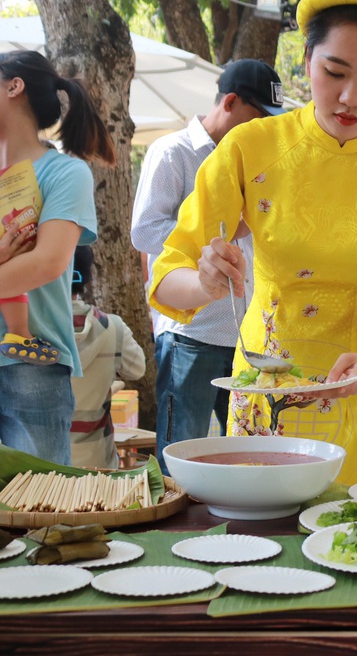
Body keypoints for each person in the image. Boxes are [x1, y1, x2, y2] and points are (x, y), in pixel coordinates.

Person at [148, 0, 357, 485]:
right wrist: (205, 280)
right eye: (334, 72)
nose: (352, 97)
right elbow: (167, 274)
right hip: (264, 382)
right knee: (264, 536)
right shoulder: (251, 147)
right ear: (306, 63)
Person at [131, 59, 284, 466]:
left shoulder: (258, 163)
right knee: (179, 453)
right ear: (230, 102)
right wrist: (217, 234)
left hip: (246, 336)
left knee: (246, 454)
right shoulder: (172, 152)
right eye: (259, 117)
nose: (263, 129)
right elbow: (145, 231)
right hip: (191, 332)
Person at [0, 50, 112, 464]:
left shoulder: (64, 173)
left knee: (38, 510)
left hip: (30, 362)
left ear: (14, 86)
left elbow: (47, 263)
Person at [69, 246, 146, 469]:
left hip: (37, 467)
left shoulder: (25, 331)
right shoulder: (113, 327)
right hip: (99, 465)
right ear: (88, 276)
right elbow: (137, 369)